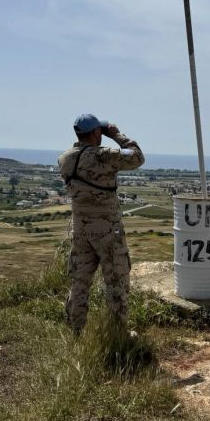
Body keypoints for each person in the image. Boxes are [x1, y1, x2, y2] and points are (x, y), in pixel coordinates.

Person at [57, 113, 145, 334]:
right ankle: (118, 334)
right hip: (107, 229)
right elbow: (137, 157)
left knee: (80, 281)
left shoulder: (65, 158)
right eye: (100, 132)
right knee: (116, 280)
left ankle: (76, 330)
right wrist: (116, 135)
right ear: (97, 132)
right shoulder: (104, 155)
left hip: (80, 228)